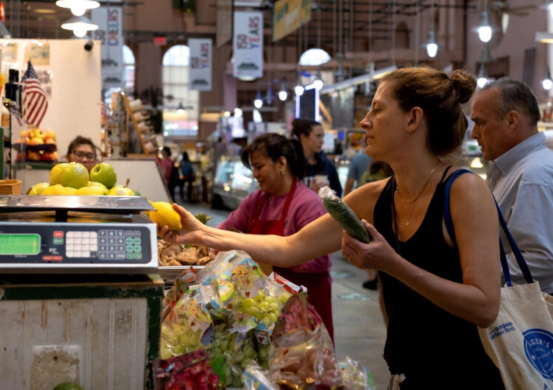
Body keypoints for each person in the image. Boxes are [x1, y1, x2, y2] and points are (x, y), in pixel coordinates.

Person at [160, 67, 505, 389]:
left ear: (413, 119)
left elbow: (485, 306)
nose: (365, 122)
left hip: (468, 376)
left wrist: (390, 264)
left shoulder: (463, 191)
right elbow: (290, 247)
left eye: (377, 110)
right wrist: (203, 234)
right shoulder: (373, 197)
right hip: (406, 374)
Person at [471, 78, 553, 352]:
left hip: (533, 316)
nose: (474, 133)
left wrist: (474, 273)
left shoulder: (535, 175)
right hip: (526, 311)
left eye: (480, 122)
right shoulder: (520, 169)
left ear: (511, 121)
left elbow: (544, 259)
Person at [217, 133, 334, 341]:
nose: (254, 174)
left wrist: (270, 259)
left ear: (281, 164)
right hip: (266, 305)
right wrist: (202, 239)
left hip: (305, 306)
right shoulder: (257, 200)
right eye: (252, 167)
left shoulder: (308, 204)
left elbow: (320, 259)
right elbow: (226, 229)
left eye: (259, 166)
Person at [359, 159, 394, 291]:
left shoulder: (369, 173)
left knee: (369, 247)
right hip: (388, 218)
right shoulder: (391, 174)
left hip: (370, 217)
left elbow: (361, 190)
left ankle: (372, 278)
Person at [292, 119, 342, 197]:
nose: (322, 141)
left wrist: (329, 195)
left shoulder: (328, 166)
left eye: (323, 136)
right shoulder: (292, 166)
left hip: (323, 209)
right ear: (303, 137)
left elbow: (338, 194)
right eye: (318, 136)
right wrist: (310, 194)